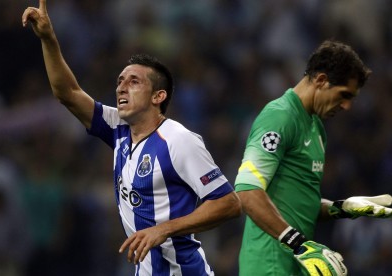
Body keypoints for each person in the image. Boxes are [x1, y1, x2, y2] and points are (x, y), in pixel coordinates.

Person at [22, 1, 242, 275]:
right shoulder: (119, 128)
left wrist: (165, 229)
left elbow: (229, 203)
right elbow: (67, 92)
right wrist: (48, 39)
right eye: (120, 81)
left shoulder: (178, 140)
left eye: (134, 81)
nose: (122, 87)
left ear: (158, 96)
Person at [234, 40, 392, 275]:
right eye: (344, 95)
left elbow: (299, 202)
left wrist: (341, 208)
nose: (346, 106)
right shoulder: (279, 117)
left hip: (298, 264)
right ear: (321, 80)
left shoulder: (316, 127)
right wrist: (298, 244)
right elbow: (247, 192)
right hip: (269, 264)